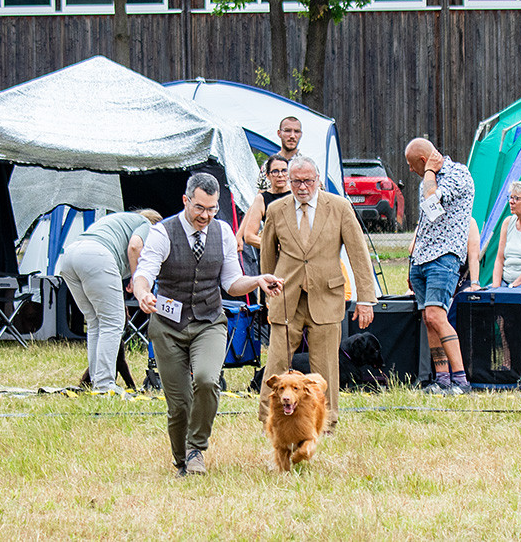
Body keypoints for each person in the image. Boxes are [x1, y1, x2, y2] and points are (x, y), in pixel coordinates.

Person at [132, 173, 283, 477]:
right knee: (178, 402)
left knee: (206, 379)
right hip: (168, 325)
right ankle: (181, 461)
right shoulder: (162, 233)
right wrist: (143, 293)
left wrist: (257, 280)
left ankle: (196, 449)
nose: (206, 216)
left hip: (209, 321)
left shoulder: (223, 232)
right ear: (186, 201)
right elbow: (144, 272)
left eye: (212, 209)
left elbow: (230, 282)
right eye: (200, 208)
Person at [257, 156, 377, 429]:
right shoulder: (276, 209)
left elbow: (358, 254)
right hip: (286, 299)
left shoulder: (340, 207)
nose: (302, 187)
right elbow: (267, 257)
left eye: (308, 181)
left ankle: (327, 421)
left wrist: (366, 299)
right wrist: (269, 296)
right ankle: (268, 418)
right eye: (296, 181)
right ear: (288, 181)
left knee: (325, 366)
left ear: (318, 180)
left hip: (327, 296)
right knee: (276, 363)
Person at [60, 209, 163, 395]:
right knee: (112, 322)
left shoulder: (119, 221)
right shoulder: (147, 226)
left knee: (95, 322)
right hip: (96, 255)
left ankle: (96, 381)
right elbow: (135, 246)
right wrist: (136, 277)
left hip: (70, 256)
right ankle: (105, 384)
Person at [404, 138, 474, 395]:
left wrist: (431, 173)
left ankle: (461, 380)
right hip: (422, 258)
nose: (411, 171)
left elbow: (433, 205)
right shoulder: (428, 181)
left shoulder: (458, 174)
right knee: (428, 319)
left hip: (444, 256)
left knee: (437, 315)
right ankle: (442, 379)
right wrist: (413, 261)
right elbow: (426, 221)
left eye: (413, 165)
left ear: (424, 161)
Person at [237, 154, 291, 251]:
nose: (280, 175)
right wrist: (274, 246)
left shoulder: (296, 195)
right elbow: (249, 236)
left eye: (284, 171)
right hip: (272, 257)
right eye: (275, 171)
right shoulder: (261, 199)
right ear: (267, 175)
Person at [256, 116, 302, 190]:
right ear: (279, 133)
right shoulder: (268, 165)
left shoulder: (307, 166)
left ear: (301, 134)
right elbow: (260, 194)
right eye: (287, 131)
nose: (292, 136)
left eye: (296, 131)